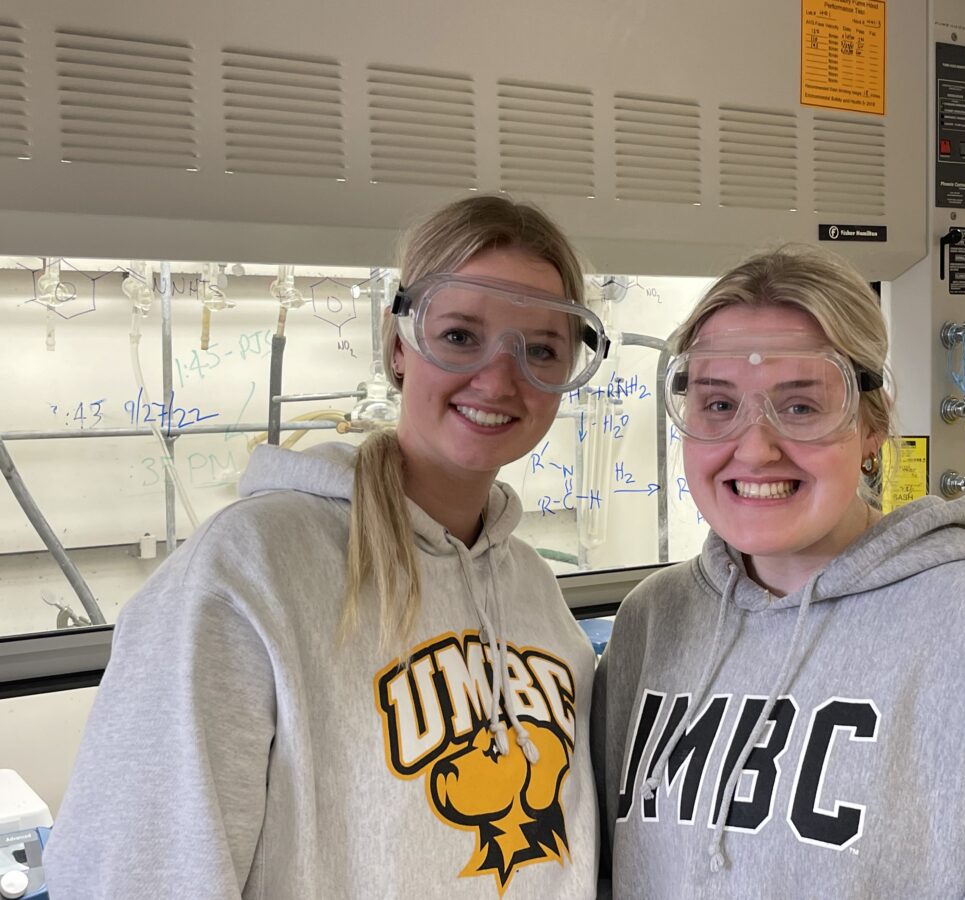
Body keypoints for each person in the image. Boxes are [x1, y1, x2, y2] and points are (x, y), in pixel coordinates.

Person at [47, 195, 608, 899]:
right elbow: (134, 871)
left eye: (541, 350)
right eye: (461, 336)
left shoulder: (534, 592)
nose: (498, 377)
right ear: (401, 346)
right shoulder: (251, 570)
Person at [591, 246, 965, 898]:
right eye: (717, 405)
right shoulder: (653, 621)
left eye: (799, 407)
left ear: (871, 425)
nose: (755, 447)